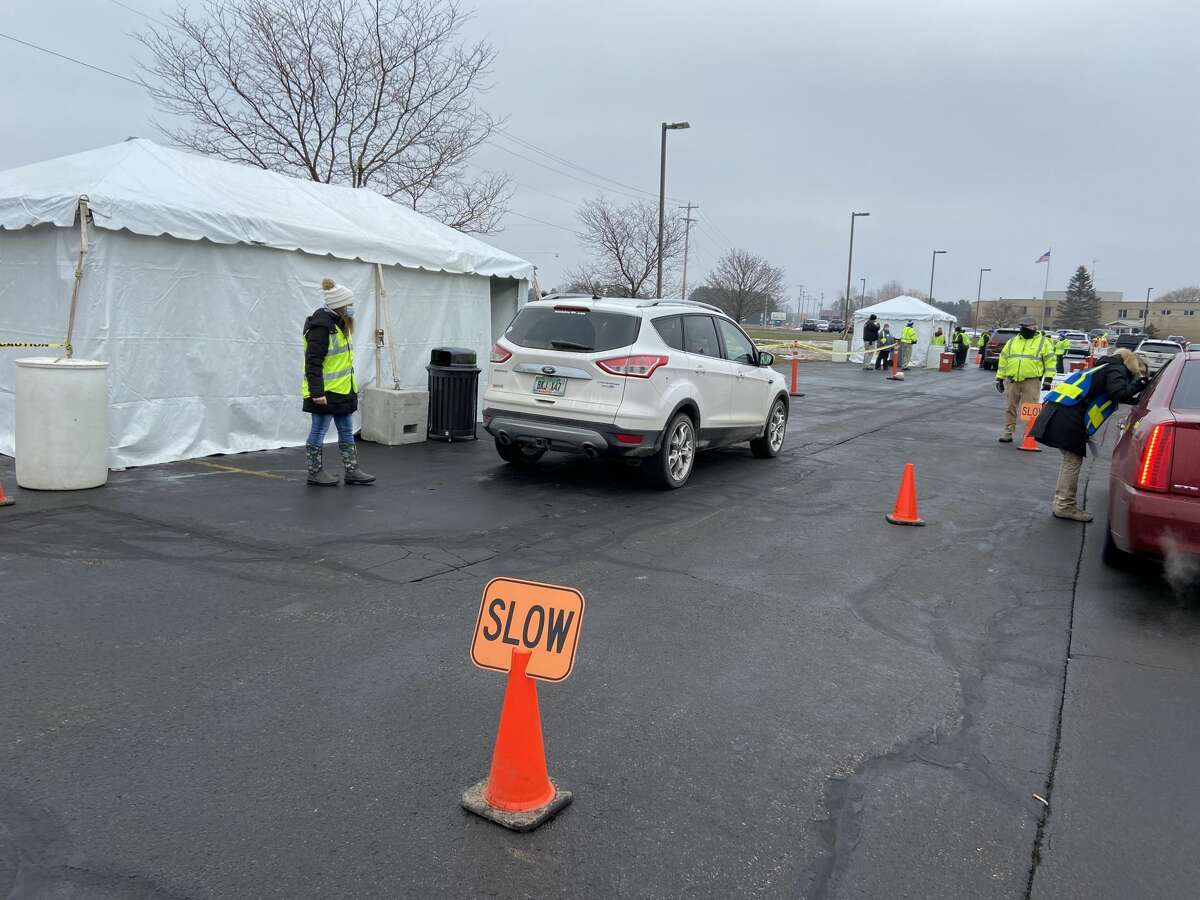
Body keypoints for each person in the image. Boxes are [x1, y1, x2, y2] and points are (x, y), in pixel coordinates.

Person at [1030, 349, 1149, 521]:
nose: (1138, 377)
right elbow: (1118, 392)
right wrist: (1141, 384)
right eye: (1140, 373)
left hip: (1060, 411)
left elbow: (1113, 394)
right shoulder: (1117, 369)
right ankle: (1065, 506)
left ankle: (1062, 503)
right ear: (1134, 366)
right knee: (1072, 459)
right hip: (1068, 416)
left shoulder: (1106, 367)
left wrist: (1136, 399)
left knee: (1070, 459)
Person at [302, 278, 376, 487]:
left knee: (345, 429)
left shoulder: (340, 324)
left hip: (343, 389)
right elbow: (313, 363)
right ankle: (314, 473)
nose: (352, 308)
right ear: (340, 306)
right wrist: (317, 392)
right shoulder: (321, 328)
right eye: (349, 305)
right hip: (324, 391)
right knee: (319, 430)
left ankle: (352, 470)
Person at [995, 316, 1056, 443]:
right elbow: (1003, 360)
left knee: (1030, 409)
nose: (1026, 330)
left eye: (1029, 328)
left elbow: (1050, 362)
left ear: (1034, 329)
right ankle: (1008, 432)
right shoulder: (1012, 342)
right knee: (1010, 407)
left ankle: (1029, 435)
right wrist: (999, 378)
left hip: (1032, 381)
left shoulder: (1043, 342)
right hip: (1012, 380)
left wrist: (1048, 379)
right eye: (1024, 328)